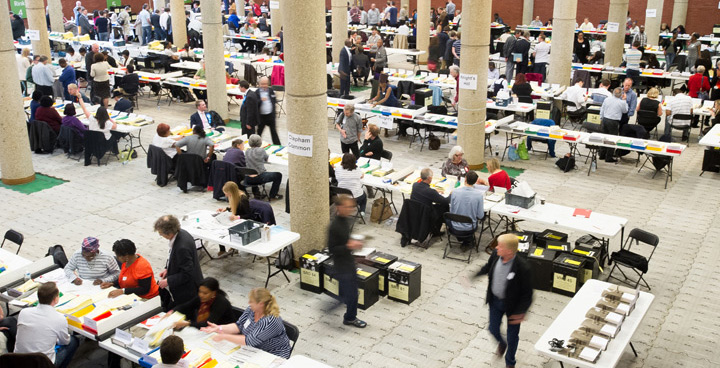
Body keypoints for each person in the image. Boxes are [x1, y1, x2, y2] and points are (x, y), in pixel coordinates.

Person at [473, 234, 533, 368]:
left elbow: (527, 294)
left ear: (509, 251)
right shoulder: (495, 254)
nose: (496, 247)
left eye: (500, 246)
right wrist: (474, 276)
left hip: (513, 307)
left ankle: (510, 362)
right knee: (493, 329)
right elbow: (488, 267)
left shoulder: (523, 268)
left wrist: (521, 312)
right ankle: (502, 343)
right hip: (495, 301)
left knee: (512, 337)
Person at [201, 288, 292, 357]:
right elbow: (239, 326)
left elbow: (249, 341)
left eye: (251, 301)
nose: (249, 303)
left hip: (273, 355)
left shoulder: (270, 321)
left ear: (261, 303)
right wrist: (219, 328)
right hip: (254, 349)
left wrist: (224, 336)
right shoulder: (252, 310)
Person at [321, 196, 369, 328]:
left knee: (346, 292)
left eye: (352, 207)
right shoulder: (334, 226)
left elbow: (345, 240)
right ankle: (349, 318)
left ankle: (337, 306)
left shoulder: (345, 221)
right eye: (348, 207)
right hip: (342, 265)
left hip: (348, 261)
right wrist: (349, 246)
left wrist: (354, 246)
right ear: (339, 207)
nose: (351, 210)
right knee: (352, 294)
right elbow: (332, 249)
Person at [15, 282, 79, 368]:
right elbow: (65, 341)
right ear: (56, 299)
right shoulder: (59, 318)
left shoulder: (24, 312)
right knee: (74, 341)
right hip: (42, 364)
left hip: (17, 361)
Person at [154, 215, 204, 311]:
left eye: (161, 233)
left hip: (187, 291)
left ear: (169, 233)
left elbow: (187, 273)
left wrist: (168, 281)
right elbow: (172, 257)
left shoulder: (182, 247)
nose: (161, 235)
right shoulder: (182, 233)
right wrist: (167, 269)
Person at [169, 277, 234, 329]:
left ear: (214, 293)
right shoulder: (202, 298)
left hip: (223, 330)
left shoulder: (221, 303)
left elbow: (208, 324)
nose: (201, 295)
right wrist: (171, 311)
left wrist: (187, 323)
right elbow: (186, 306)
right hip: (207, 330)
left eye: (205, 293)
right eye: (200, 291)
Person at [410, 168, 450, 238]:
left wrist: (434, 190)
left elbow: (425, 191)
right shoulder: (430, 192)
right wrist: (451, 195)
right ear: (429, 178)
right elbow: (445, 201)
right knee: (444, 206)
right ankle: (436, 230)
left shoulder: (415, 185)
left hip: (415, 211)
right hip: (426, 214)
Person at [448, 170, 484, 244]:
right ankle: (467, 240)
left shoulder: (455, 192)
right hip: (469, 228)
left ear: (465, 179)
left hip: (454, 226)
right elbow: (480, 216)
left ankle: (465, 240)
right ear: (475, 181)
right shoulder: (479, 195)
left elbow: (451, 210)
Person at [245, 134, 283, 200]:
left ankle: (256, 193)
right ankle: (273, 195)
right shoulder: (261, 150)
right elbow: (266, 158)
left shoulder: (247, 151)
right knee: (278, 175)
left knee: (253, 169)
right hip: (259, 177)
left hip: (248, 178)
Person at [599, 87, 628, 162]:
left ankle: (602, 154)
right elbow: (625, 111)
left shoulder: (607, 99)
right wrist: (624, 100)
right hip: (613, 121)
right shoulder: (621, 102)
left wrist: (601, 118)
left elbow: (602, 108)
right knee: (612, 139)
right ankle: (609, 157)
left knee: (604, 137)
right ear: (621, 94)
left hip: (605, 119)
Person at [255, 77, 280, 145]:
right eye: (262, 84)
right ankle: (256, 145)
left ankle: (278, 145)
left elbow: (274, 100)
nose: (264, 86)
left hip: (270, 116)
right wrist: (260, 100)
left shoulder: (271, 90)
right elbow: (255, 103)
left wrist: (274, 113)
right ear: (259, 84)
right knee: (259, 132)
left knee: (274, 132)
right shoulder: (257, 92)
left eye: (265, 84)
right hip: (261, 116)